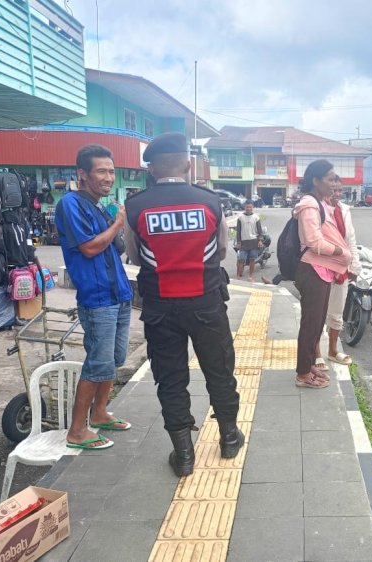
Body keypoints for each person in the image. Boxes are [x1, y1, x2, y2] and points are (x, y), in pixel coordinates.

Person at [124, 133, 243, 476]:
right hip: (206, 303)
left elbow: (134, 256)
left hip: (160, 307)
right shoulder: (209, 202)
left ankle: (184, 455)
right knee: (219, 370)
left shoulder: (135, 206)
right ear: (188, 163)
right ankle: (229, 438)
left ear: (151, 168)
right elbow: (221, 250)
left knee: (171, 378)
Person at [55, 144, 133, 450]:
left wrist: (118, 226)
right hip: (98, 297)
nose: (109, 177)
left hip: (119, 293)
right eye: (102, 171)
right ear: (82, 174)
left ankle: (99, 413)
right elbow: (89, 248)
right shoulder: (70, 203)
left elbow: (118, 247)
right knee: (98, 363)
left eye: (111, 171)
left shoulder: (102, 205)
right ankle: (77, 430)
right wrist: (117, 224)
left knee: (115, 359)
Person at [293, 160, 351, 389]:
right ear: (315, 181)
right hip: (312, 269)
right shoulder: (309, 204)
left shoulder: (320, 202)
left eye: (335, 178)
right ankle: (302, 374)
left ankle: (308, 365)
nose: (334, 183)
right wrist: (339, 251)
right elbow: (312, 240)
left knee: (317, 324)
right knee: (311, 323)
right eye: (330, 178)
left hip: (322, 269)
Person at [314, 176, 362, 368]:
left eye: (341, 190)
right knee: (317, 312)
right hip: (319, 268)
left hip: (341, 268)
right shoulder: (315, 208)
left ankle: (333, 351)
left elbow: (350, 239)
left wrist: (355, 265)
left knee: (337, 312)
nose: (337, 194)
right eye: (334, 190)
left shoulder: (344, 210)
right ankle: (316, 353)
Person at [235, 201, 264, 282]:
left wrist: (260, 240)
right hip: (244, 242)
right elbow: (238, 231)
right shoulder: (240, 218)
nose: (248, 209)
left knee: (252, 260)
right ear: (244, 207)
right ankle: (238, 277)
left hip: (254, 242)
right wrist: (239, 242)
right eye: (247, 207)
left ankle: (250, 276)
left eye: (250, 207)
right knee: (241, 260)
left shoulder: (256, 217)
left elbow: (259, 231)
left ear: (253, 207)